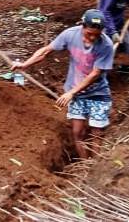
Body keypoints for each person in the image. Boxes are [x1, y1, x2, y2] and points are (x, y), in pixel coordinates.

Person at [13, 9, 114, 159]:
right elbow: (46, 51)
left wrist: (71, 92)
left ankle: (95, 168)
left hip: (98, 95)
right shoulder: (70, 35)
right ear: (82, 26)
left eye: (96, 35)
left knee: (96, 134)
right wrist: (25, 64)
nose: (92, 38)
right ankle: (85, 165)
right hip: (77, 95)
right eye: (89, 34)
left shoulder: (106, 45)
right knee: (77, 133)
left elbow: (95, 74)